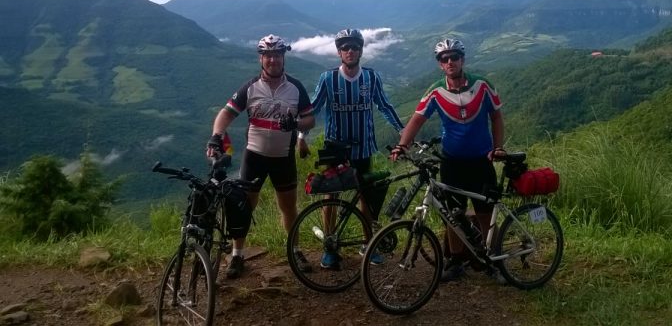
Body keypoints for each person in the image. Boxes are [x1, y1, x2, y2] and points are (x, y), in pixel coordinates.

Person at [390, 37, 506, 282]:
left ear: (462, 59)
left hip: (481, 160)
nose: (450, 61)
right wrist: (402, 145)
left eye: (454, 57)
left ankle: (494, 260)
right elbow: (417, 119)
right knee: (454, 214)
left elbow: (496, 117)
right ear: (440, 64)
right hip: (452, 162)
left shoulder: (483, 86)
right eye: (445, 59)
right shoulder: (435, 91)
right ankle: (456, 261)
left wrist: (498, 147)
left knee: (486, 212)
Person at [206, 34, 315, 279]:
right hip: (254, 156)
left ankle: (295, 249)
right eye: (268, 55)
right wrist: (216, 135)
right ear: (261, 59)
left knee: (289, 207)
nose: (273, 60)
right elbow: (226, 114)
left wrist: (297, 122)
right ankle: (237, 254)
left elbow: (310, 119)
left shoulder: (296, 88)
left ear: (283, 57)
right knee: (245, 207)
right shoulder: (250, 87)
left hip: (283, 157)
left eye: (277, 55)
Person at [298, 28, 405, 268]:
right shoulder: (328, 78)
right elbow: (313, 108)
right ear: (338, 52)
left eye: (354, 47)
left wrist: (403, 132)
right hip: (335, 148)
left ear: (361, 50)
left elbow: (384, 106)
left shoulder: (371, 77)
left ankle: (368, 245)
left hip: (364, 147)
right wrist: (301, 136)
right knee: (330, 197)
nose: (350, 51)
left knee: (365, 196)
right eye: (345, 47)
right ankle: (330, 246)